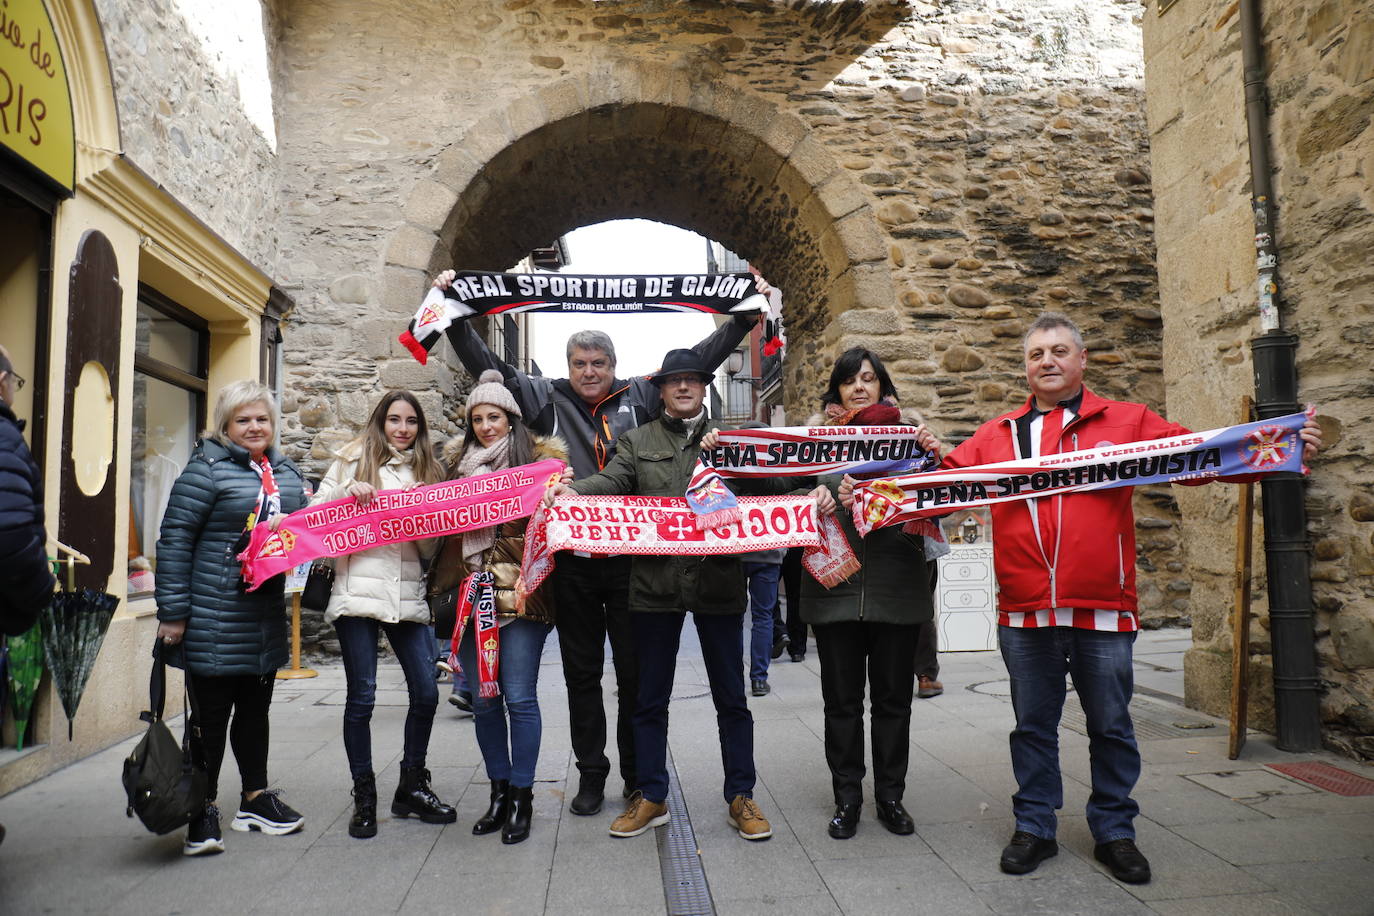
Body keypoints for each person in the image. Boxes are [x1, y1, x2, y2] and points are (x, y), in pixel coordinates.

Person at [938, 311, 1322, 884]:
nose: (1047, 361)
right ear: (1025, 367)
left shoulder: (1128, 421)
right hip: (1024, 611)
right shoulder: (997, 436)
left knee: (1112, 727)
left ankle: (1115, 831)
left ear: (1082, 359)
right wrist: (877, 487)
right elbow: (940, 485)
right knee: (1032, 727)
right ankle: (1034, 826)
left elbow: (1199, 456)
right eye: (1036, 353)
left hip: (1104, 608)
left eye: (1059, 351)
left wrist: (1280, 446)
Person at [434, 268, 768, 816]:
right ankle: (592, 774)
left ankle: (638, 778)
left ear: (614, 366)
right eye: (580, 363)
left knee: (635, 677)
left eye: (599, 363)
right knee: (581, 674)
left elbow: (700, 361)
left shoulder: (642, 394)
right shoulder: (543, 396)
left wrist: (745, 315)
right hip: (575, 564)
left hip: (633, 561)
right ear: (568, 367)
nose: (589, 372)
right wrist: (453, 315)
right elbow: (486, 365)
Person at [546, 349, 832, 841]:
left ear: (703, 387)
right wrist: (576, 492)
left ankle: (741, 795)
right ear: (660, 389)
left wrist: (813, 490)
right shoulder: (637, 440)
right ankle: (651, 795)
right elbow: (613, 480)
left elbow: (775, 481)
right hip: (654, 586)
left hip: (717, 583)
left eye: (692, 380)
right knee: (649, 699)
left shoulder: (731, 441)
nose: (683, 387)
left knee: (731, 698)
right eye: (674, 380)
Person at [155, 380, 308, 856]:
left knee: (255, 714)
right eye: (243, 419)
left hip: (263, 618)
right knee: (209, 720)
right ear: (225, 424)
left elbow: (307, 528)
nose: (254, 427)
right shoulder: (205, 470)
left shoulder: (285, 474)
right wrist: (173, 613)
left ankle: (255, 799)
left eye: (262, 419)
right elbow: (175, 539)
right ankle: (200, 809)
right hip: (213, 617)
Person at [427, 370, 568, 844]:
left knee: (519, 697)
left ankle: (523, 797)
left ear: (511, 418)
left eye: (495, 417)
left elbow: (559, 523)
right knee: (485, 702)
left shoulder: (542, 466)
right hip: (468, 598)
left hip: (521, 598)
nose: (486, 426)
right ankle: (499, 792)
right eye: (478, 419)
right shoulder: (454, 470)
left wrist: (561, 493)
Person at [806, 348, 938, 840]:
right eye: (849, 380)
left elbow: (941, 499)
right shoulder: (812, 444)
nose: (859, 387)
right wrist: (809, 497)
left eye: (868, 378)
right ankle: (847, 798)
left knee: (892, 702)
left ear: (883, 386)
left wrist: (934, 459)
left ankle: (890, 797)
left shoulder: (911, 441)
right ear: (836, 390)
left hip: (895, 590)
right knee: (841, 704)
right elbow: (773, 487)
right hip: (835, 591)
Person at [312, 390, 454, 840]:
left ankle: (411, 784)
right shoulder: (352, 460)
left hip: (406, 594)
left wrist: (424, 513)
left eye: (411, 421)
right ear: (380, 421)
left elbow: (430, 551)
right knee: (363, 697)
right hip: (357, 593)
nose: (403, 429)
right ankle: (365, 794)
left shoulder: (429, 471)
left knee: (426, 693)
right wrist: (345, 493)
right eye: (394, 419)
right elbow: (314, 518)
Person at [0, 344, 55, 640]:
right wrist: (41, 590)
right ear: (2, 381)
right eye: (15, 382)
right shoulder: (4, 437)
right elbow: (10, 535)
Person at [741, 547, 785, 697]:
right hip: (768, 552)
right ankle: (759, 679)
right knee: (763, 617)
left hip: (735, 552)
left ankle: (734, 678)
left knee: (734, 618)